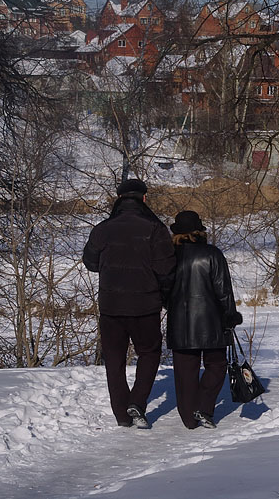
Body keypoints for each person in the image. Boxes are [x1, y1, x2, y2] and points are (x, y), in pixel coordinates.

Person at [82, 179, 175, 429]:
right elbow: (166, 268)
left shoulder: (102, 229)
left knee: (114, 360)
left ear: (120, 199)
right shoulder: (155, 229)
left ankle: (122, 416)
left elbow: (90, 262)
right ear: (144, 199)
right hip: (145, 305)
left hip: (111, 307)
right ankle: (137, 401)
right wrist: (166, 297)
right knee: (149, 353)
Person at [166, 210, 242, 429]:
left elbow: (163, 289)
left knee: (184, 373)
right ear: (200, 231)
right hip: (212, 322)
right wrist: (230, 316)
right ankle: (205, 407)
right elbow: (224, 290)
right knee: (217, 365)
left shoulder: (169, 257)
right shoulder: (212, 254)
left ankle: (189, 419)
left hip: (179, 323)